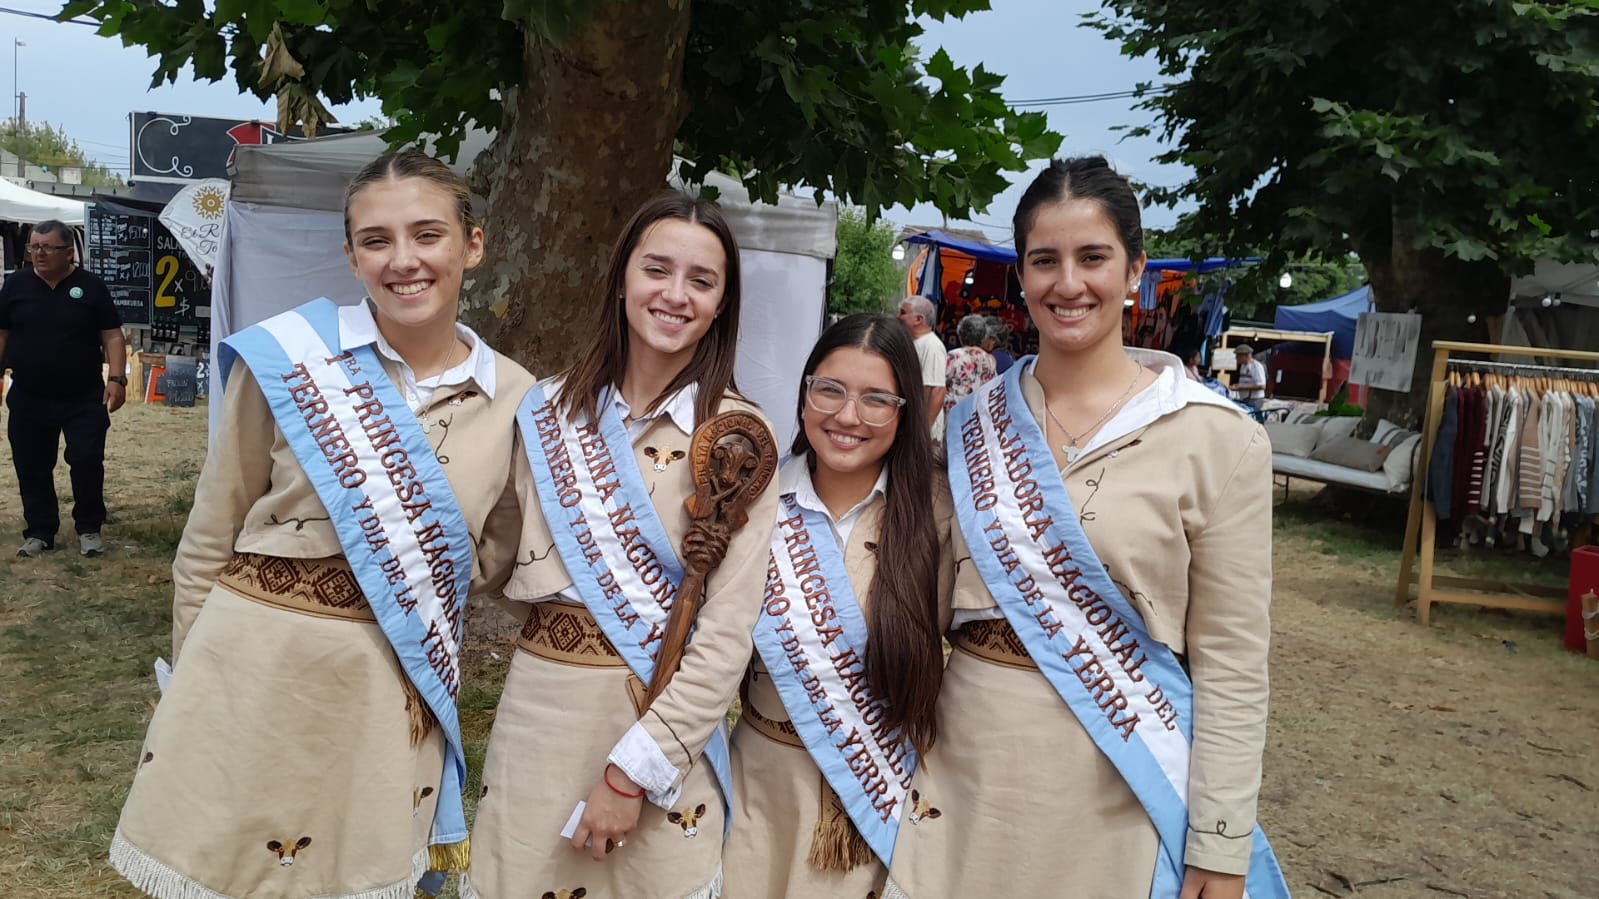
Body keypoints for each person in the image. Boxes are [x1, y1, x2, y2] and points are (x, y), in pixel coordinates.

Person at [109, 150, 535, 899]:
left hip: (384, 679)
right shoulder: (290, 359)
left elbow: (492, 555)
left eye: (427, 234)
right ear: (351, 256)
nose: (403, 260)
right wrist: (195, 674)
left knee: (351, 869)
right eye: (376, 240)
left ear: (472, 245)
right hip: (251, 664)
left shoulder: (516, 397)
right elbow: (209, 535)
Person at [884, 156, 1288, 899]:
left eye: (1093, 257)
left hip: (1115, 785)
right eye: (1045, 260)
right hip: (965, 774)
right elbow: (917, 598)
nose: (1067, 283)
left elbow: (1232, 662)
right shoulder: (970, 426)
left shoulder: (1217, 438)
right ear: (1021, 277)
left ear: (1134, 270)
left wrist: (1220, 843)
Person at [465, 195, 780, 899]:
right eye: (656, 269)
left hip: (659, 720)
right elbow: (495, 559)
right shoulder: (545, 411)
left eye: (702, 280)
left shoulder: (739, 437)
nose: (675, 294)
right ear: (621, 279)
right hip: (540, 705)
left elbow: (726, 634)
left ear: (722, 304)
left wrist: (633, 773)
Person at [722, 313, 954, 898]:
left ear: (905, 412)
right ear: (805, 394)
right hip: (761, 788)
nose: (848, 416)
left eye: (876, 399)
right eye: (830, 390)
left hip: (883, 795)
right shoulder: (754, 501)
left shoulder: (938, 514)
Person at [0, 219, 126, 558]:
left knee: (86, 460)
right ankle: (40, 531)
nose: (38, 253)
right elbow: (2, 333)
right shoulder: (15, 285)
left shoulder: (91, 287)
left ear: (69, 252)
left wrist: (117, 379)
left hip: (83, 395)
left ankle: (89, 528)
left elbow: (112, 335)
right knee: (31, 465)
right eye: (33, 247)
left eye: (47, 247)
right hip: (29, 395)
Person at [895, 295, 946, 436]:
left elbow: (937, 391)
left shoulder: (932, 346)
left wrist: (923, 431)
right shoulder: (914, 343)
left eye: (903, 313)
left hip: (922, 431)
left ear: (919, 319)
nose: (898, 316)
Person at [943, 313, 998, 415]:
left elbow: (940, 385)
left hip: (955, 413)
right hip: (978, 415)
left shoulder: (953, 356)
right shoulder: (989, 360)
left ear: (961, 335)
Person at [1232, 343, 1267, 409]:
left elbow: (1262, 386)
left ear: (1245, 356)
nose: (1236, 358)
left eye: (1238, 356)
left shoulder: (1256, 366)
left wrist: (1241, 388)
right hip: (1245, 398)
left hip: (1254, 400)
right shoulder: (1243, 366)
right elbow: (1246, 382)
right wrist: (1237, 385)